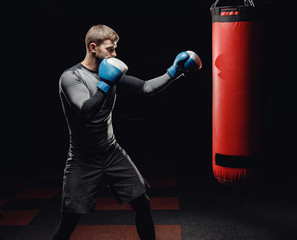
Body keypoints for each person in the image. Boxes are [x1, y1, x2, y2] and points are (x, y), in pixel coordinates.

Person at [52, 24, 202, 240]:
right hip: (83, 159)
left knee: (143, 204)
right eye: (110, 49)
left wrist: (174, 71)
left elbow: (146, 88)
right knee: (69, 220)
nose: (115, 54)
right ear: (93, 47)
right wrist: (105, 83)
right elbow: (85, 111)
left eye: (115, 49)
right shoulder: (71, 76)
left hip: (112, 152)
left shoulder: (109, 71)